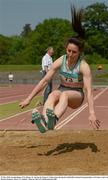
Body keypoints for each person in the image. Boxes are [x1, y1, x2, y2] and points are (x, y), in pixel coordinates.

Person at [19, 5, 100, 133]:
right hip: (62, 90)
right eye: (68, 51)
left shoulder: (84, 66)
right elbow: (45, 80)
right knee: (53, 94)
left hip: (76, 96)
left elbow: (89, 91)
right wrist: (29, 98)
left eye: (74, 52)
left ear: (80, 52)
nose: (70, 54)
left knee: (64, 95)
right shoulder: (60, 61)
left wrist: (92, 113)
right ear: (65, 48)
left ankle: (54, 119)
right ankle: (45, 122)